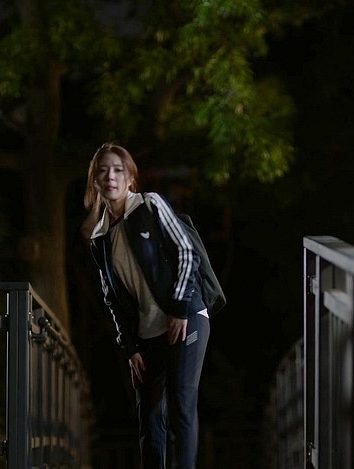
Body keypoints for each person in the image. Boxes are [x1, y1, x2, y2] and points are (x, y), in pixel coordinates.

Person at [82, 142, 210, 469]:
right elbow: (111, 298)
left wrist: (179, 308)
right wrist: (129, 347)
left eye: (118, 170)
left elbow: (186, 252)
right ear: (95, 180)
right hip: (147, 333)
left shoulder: (150, 205)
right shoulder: (99, 238)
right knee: (150, 419)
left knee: (181, 404)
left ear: (130, 178)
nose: (110, 176)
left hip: (186, 317)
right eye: (102, 170)